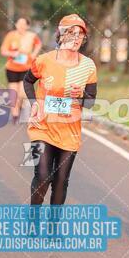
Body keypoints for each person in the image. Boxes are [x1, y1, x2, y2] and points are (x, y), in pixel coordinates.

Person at [23, 14, 97, 205]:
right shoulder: (44, 60)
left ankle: (53, 227)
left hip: (69, 131)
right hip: (42, 127)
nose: (76, 38)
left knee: (61, 181)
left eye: (80, 35)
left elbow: (90, 102)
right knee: (42, 176)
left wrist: (80, 94)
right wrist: (34, 103)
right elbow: (28, 81)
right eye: (71, 33)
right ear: (61, 35)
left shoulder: (88, 66)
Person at [0, 18, 42, 123]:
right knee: (13, 92)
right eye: (19, 23)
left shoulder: (31, 36)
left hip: (25, 68)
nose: (21, 26)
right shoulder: (11, 35)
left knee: (22, 93)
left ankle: (19, 108)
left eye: (24, 24)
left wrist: (33, 54)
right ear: (16, 24)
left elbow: (38, 44)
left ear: (27, 26)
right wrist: (12, 54)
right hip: (11, 68)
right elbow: (3, 51)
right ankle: (15, 115)